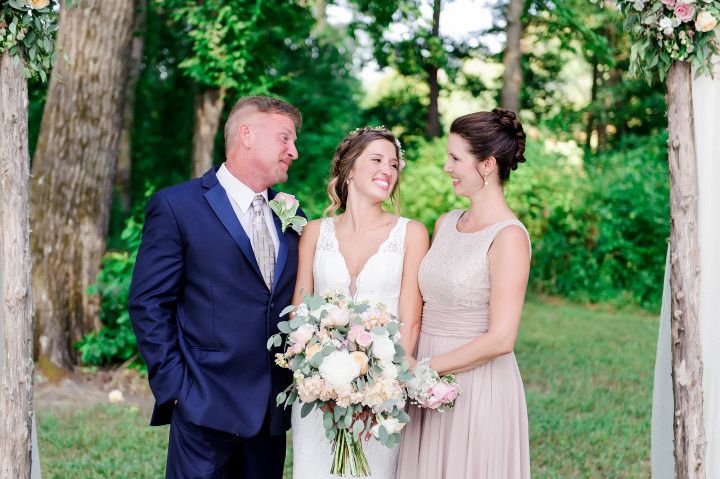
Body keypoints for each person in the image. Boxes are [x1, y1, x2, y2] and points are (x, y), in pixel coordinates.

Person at [129, 96, 303, 478]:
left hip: (270, 415)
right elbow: (148, 304)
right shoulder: (177, 206)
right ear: (247, 135)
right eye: (285, 138)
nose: (294, 151)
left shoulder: (293, 214)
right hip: (204, 404)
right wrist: (176, 387)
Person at [396, 108, 532, 479]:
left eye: (456, 158)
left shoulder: (508, 237)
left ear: (487, 165)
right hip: (422, 375)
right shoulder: (446, 222)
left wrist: (424, 370)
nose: (446, 167)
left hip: (475, 383)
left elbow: (502, 338)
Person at [291, 127, 429, 478]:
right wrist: (315, 376)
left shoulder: (412, 233)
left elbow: (411, 322)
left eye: (395, 164)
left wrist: (384, 388)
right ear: (349, 169)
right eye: (377, 160)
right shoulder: (313, 233)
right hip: (318, 392)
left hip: (381, 396)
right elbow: (300, 312)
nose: (388, 170)